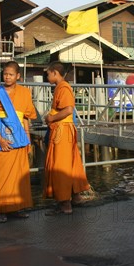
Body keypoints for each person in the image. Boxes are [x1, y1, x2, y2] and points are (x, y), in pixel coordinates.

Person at [0, 61, 37, 223]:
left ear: (18, 76)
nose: (7, 77)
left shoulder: (25, 92)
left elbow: (25, 119)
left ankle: (17, 208)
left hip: (20, 139)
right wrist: (0, 139)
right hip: (4, 139)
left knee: (19, 176)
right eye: (5, 74)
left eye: (10, 74)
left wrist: (28, 140)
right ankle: (1, 209)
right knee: (2, 175)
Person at [43, 61, 91, 215]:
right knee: (71, 164)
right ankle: (75, 196)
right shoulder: (62, 87)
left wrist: (51, 118)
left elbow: (68, 109)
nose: (47, 76)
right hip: (65, 130)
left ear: (55, 73)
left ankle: (65, 204)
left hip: (62, 131)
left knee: (60, 166)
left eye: (48, 74)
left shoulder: (63, 87)